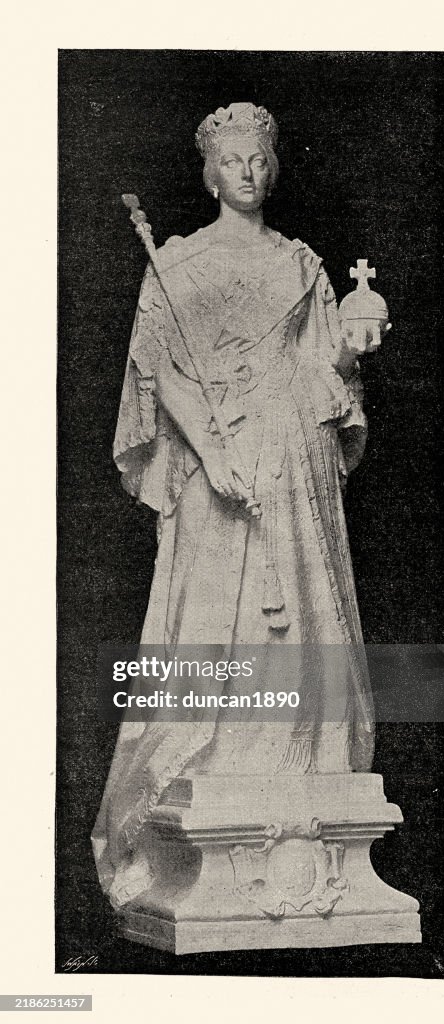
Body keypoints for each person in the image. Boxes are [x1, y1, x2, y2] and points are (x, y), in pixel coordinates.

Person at [93, 102, 379, 909]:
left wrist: (352, 350)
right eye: (233, 161)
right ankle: (207, 769)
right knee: (218, 614)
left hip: (296, 461)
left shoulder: (302, 266)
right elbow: (159, 370)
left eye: (259, 160)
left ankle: (311, 767)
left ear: (272, 168)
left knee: (307, 603)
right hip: (220, 468)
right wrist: (213, 454)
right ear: (210, 172)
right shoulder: (177, 265)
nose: (248, 174)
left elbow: (328, 367)